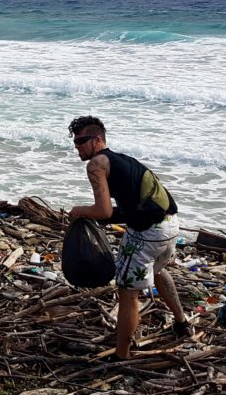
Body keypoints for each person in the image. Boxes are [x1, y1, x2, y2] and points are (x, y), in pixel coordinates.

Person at [66, 116, 189, 359]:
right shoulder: (123, 161)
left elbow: (103, 211)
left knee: (127, 291)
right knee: (157, 270)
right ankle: (182, 322)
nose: (77, 146)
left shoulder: (96, 165)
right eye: (75, 141)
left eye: (81, 141)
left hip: (148, 233)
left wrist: (79, 211)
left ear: (98, 139)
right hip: (171, 225)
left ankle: (122, 354)